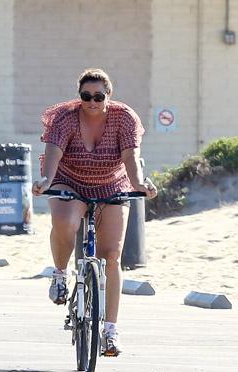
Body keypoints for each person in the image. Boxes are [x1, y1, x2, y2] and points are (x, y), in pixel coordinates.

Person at [32, 68, 157, 356]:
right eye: (86, 96)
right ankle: (60, 274)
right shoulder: (64, 117)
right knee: (66, 222)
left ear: (108, 96)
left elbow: (130, 157)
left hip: (111, 183)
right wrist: (46, 181)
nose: (92, 101)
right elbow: (54, 152)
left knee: (111, 256)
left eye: (98, 96)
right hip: (69, 179)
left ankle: (111, 332)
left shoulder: (124, 118)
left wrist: (140, 185)